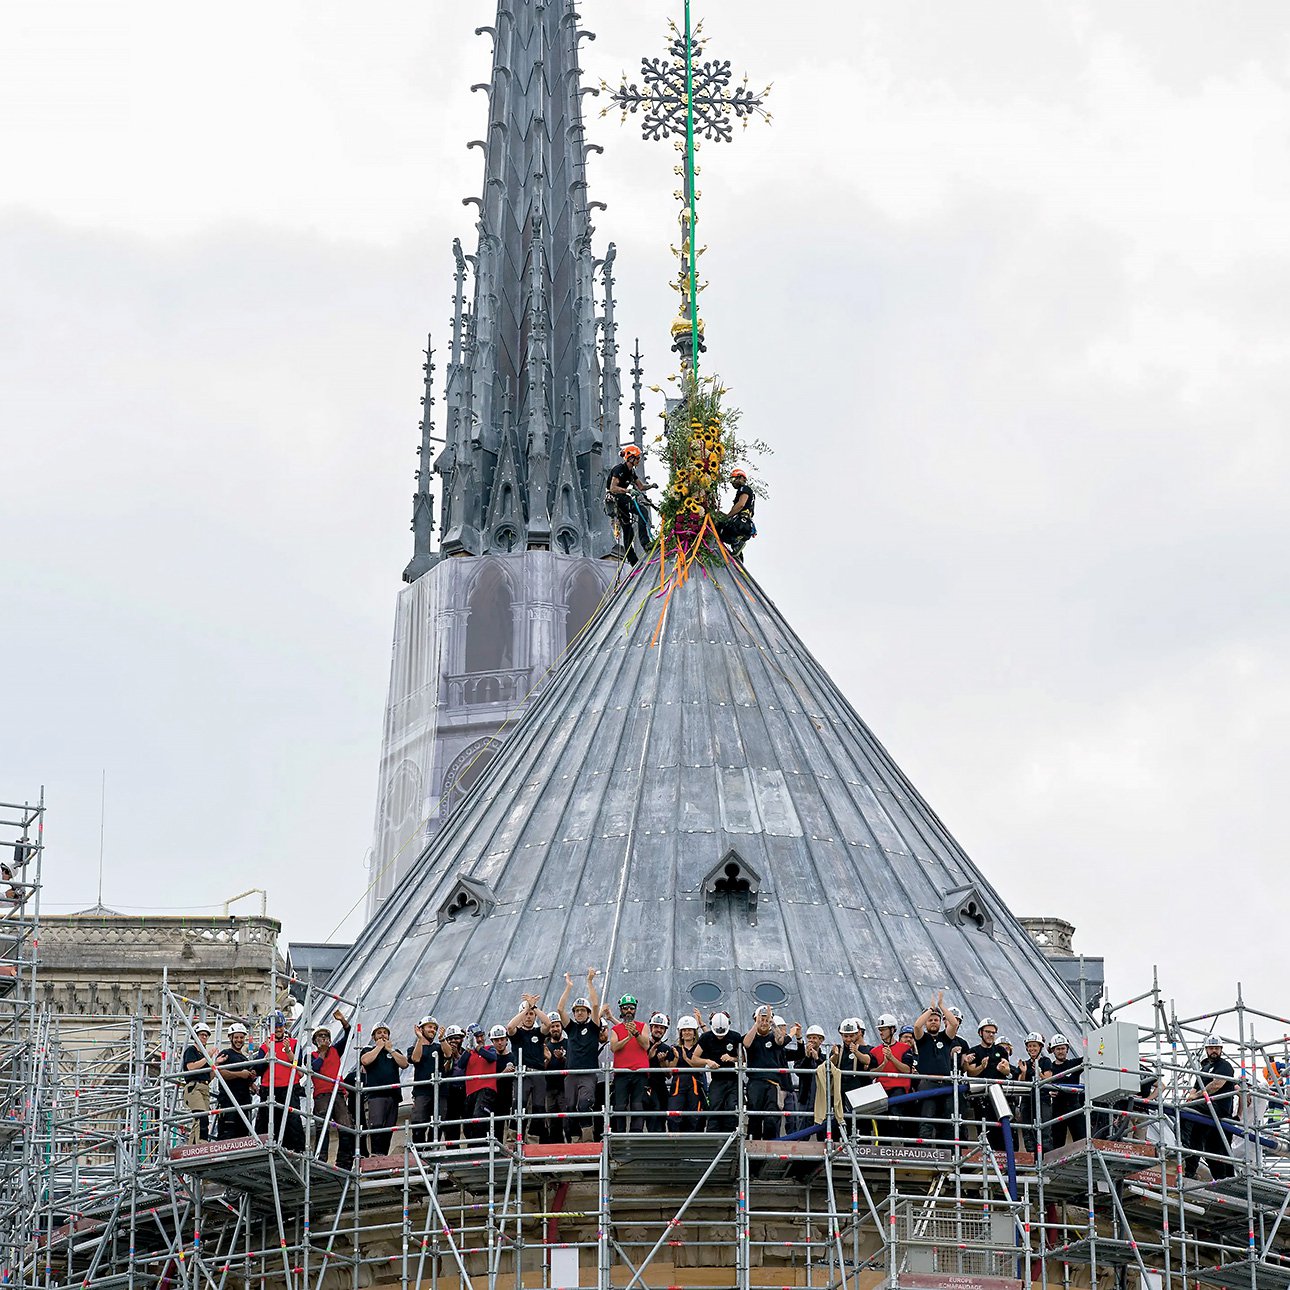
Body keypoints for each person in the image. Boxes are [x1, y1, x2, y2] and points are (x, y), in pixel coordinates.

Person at [557, 970, 605, 1143]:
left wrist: (590, 982)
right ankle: (574, 1142)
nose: (579, 1013)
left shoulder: (593, 1028)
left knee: (584, 1104)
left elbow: (595, 1005)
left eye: (582, 1010)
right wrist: (568, 987)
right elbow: (559, 1009)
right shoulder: (571, 1028)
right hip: (570, 1074)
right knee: (570, 1108)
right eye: (576, 1011)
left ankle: (587, 1140)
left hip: (587, 1073)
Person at [1182, 1035, 1237, 1180]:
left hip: (1218, 1107)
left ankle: (1228, 1177)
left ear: (1221, 1050)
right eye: (1211, 1048)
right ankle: (1190, 1170)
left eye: (1216, 1048)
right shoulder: (1205, 1068)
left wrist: (1195, 1097)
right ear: (1206, 1050)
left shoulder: (1224, 1065)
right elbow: (1194, 1089)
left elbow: (1217, 1084)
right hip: (1204, 1108)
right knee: (1198, 1139)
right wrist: (1189, 1098)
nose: (1214, 1051)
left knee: (1186, 1113)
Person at [310, 1011, 356, 1169]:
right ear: (315, 1041)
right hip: (322, 1095)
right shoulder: (311, 1056)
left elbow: (349, 1035)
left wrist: (343, 1020)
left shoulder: (336, 1050)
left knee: (346, 1126)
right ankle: (320, 1160)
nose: (323, 1038)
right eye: (320, 1036)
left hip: (337, 1094)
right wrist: (322, 1053)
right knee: (322, 1128)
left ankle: (344, 1162)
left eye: (326, 1036)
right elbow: (314, 1068)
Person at [912, 996, 959, 1142]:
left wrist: (941, 1006)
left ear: (940, 1022)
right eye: (930, 1020)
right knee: (927, 1118)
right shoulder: (922, 1039)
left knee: (948, 1121)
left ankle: (949, 1153)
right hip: (928, 1083)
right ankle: (924, 1151)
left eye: (936, 1020)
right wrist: (931, 1009)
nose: (933, 1022)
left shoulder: (945, 1038)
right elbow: (916, 1027)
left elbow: (954, 1023)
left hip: (945, 1083)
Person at [257, 1011, 305, 1152]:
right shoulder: (264, 1047)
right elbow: (259, 1068)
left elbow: (297, 1062)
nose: (278, 1030)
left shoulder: (294, 1043)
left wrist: (288, 1050)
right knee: (267, 1125)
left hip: (288, 1088)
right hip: (269, 1088)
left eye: (280, 1026)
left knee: (293, 1123)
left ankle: (297, 1152)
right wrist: (268, 1053)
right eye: (275, 1027)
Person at [507, 995, 553, 1142]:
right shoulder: (517, 1034)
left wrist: (534, 1008)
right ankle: (513, 1139)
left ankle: (534, 1139)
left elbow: (548, 1023)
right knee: (519, 1105)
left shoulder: (538, 1033)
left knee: (539, 1108)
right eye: (526, 1014)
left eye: (531, 1014)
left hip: (538, 1074)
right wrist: (526, 1008)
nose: (528, 1017)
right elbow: (509, 1027)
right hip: (523, 1073)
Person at [359, 1022, 408, 1156]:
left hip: (393, 1095)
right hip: (376, 1095)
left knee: (389, 1127)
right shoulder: (368, 1050)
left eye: (385, 1032)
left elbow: (404, 1063)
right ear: (374, 1036)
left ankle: (383, 1154)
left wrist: (390, 1050)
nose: (382, 1035)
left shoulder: (394, 1052)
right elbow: (365, 1061)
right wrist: (379, 1047)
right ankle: (376, 1153)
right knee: (377, 1124)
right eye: (379, 1033)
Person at [964, 1018, 1011, 1149]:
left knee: (1001, 1128)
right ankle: (987, 1156)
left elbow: (1007, 1069)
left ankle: (1003, 1159)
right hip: (981, 1096)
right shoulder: (974, 1051)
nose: (991, 1035)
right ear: (980, 1033)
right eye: (988, 1032)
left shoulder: (1001, 1050)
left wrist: (1004, 1069)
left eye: (993, 1032)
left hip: (999, 1095)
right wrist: (982, 1067)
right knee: (984, 1129)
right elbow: (971, 1072)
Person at [212, 1023, 265, 1140]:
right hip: (229, 1101)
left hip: (244, 1101)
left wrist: (251, 1083)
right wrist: (241, 1074)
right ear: (230, 1038)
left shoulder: (244, 1059)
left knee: (242, 1135)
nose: (239, 1040)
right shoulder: (226, 1054)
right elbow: (219, 1073)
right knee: (228, 1134)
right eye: (236, 1037)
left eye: (241, 1037)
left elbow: (245, 1079)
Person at [607, 995, 650, 1132]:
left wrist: (636, 1034)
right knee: (619, 1105)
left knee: (638, 1105)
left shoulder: (642, 1026)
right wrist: (628, 1038)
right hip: (622, 1073)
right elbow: (614, 1047)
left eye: (631, 1008)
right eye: (625, 1008)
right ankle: (618, 1134)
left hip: (640, 1072)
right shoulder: (615, 1029)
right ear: (621, 1010)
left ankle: (636, 1134)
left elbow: (646, 1045)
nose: (629, 1011)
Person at [743, 1007, 786, 1140]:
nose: (764, 1022)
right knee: (755, 1117)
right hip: (755, 1083)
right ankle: (753, 1146)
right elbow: (746, 1043)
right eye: (762, 1019)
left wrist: (772, 1022)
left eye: (766, 1019)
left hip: (772, 1083)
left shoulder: (773, 1036)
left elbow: (781, 1041)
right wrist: (757, 1022)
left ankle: (769, 1146)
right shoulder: (751, 1036)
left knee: (771, 1118)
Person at [606, 445, 654, 566]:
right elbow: (613, 488)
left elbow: (641, 486)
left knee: (630, 528)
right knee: (640, 514)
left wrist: (651, 486)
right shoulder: (619, 469)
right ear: (630, 458)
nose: (639, 460)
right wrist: (628, 491)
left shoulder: (631, 472)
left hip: (623, 498)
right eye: (637, 458)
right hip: (617, 499)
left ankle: (638, 554)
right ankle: (643, 546)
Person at [869, 1014, 914, 1141]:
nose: (881, 1032)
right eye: (880, 1029)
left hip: (898, 1088)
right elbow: (872, 1073)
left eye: (883, 1029)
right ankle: (884, 1147)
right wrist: (883, 1065)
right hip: (881, 1089)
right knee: (882, 1119)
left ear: (892, 1030)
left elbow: (907, 1070)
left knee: (895, 1114)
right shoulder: (875, 1051)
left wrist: (892, 1059)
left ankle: (897, 1144)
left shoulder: (905, 1048)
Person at [697, 1011, 741, 1134]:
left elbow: (744, 1059)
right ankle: (712, 1143)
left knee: (732, 1109)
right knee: (714, 1109)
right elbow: (694, 1058)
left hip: (733, 1081)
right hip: (716, 1080)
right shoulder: (706, 1037)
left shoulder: (736, 1037)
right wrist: (708, 1061)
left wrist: (732, 1058)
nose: (720, 1036)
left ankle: (731, 1142)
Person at [833, 1018, 875, 1140]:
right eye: (845, 1036)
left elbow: (867, 1060)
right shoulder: (838, 1050)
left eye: (851, 1036)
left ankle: (864, 1149)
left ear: (857, 1034)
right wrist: (835, 1055)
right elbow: (829, 1065)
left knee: (862, 1123)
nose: (848, 1039)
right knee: (841, 1120)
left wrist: (856, 1052)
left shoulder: (864, 1049)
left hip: (860, 1091)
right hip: (842, 1091)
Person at [670, 1015, 711, 1133]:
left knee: (695, 1116)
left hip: (695, 1084)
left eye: (690, 1030)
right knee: (674, 1113)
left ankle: (694, 1142)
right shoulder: (675, 1049)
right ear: (680, 1033)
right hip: (678, 1084)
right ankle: (676, 1142)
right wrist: (676, 1059)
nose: (687, 1032)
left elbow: (711, 1039)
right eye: (684, 1030)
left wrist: (687, 1059)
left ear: (694, 1032)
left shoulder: (700, 1049)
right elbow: (669, 1070)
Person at [1045, 1034, 1085, 1148]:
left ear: (1067, 1049)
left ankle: (1083, 1163)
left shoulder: (1073, 1064)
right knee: (1058, 1140)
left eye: (1063, 1048)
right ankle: (1058, 1165)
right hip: (1058, 1108)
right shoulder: (1050, 1069)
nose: (1061, 1051)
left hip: (1074, 1106)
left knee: (1081, 1138)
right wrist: (1049, 1092)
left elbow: (1089, 1057)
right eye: (1058, 1049)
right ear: (1053, 1050)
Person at [407, 1015, 442, 1146]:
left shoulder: (438, 1048)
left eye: (434, 1028)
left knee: (437, 1122)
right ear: (421, 1029)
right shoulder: (413, 1048)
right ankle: (418, 1149)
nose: (432, 1030)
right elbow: (415, 1059)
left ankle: (432, 1148)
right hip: (422, 1091)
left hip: (438, 1091)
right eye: (429, 1027)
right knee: (419, 1121)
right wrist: (420, 1039)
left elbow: (449, 1054)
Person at [1015, 1032, 1051, 1152]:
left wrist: (1039, 1073)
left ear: (1040, 1047)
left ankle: (1045, 1160)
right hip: (1027, 1101)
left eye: (1034, 1046)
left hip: (1042, 1100)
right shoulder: (1025, 1063)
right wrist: (1024, 1072)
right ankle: (1032, 1161)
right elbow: (1020, 1083)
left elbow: (1049, 1079)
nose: (1032, 1049)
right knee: (1028, 1133)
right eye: (1029, 1046)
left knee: (1044, 1131)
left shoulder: (1045, 1061)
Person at [180, 1024, 215, 1143]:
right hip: (194, 1087)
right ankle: (199, 1144)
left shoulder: (203, 1054)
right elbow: (191, 1067)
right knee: (201, 1117)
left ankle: (196, 1144)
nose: (204, 1037)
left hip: (204, 1087)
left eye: (206, 1035)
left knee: (201, 1119)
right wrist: (208, 1056)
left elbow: (209, 1077)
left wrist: (217, 1064)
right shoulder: (191, 1050)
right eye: (202, 1035)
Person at [644, 1014, 678, 1133]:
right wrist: (650, 1056)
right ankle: (653, 1142)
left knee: (663, 1113)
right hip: (646, 1084)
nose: (659, 1030)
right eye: (656, 1027)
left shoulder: (666, 1048)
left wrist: (662, 1062)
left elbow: (668, 1075)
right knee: (654, 1112)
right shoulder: (643, 1045)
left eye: (662, 1028)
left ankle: (662, 1140)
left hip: (660, 1085)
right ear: (651, 1027)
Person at [791, 1026, 827, 1133]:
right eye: (809, 1038)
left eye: (814, 1038)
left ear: (821, 1040)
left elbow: (828, 1072)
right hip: (805, 1097)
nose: (811, 1041)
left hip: (821, 1099)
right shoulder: (801, 1056)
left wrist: (817, 1059)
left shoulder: (825, 1057)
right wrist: (807, 1058)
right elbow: (798, 1072)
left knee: (822, 1130)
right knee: (802, 1128)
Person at [435, 1025, 467, 1142]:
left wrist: (457, 1055)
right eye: (451, 1039)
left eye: (456, 1038)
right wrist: (449, 1057)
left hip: (465, 1091)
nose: (453, 1041)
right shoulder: (442, 1055)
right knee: (450, 1125)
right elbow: (445, 1071)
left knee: (468, 1123)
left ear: (462, 1039)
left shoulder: (466, 1053)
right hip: (450, 1093)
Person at [716, 468, 756, 556]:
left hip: (740, 523)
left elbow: (741, 504)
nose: (732, 482)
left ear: (741, 478)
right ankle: (736, 546)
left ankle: (736, 543)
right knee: (724, 536)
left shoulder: (744, 488)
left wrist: (727, 516)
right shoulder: (749, 492)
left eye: (733, 479)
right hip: (746, 526)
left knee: (718, 522)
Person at [543, 1015, 569, 1143]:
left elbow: (573, 1065)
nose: (555, 1029)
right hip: (549, 1089)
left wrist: (562, 1059)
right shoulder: (545, 1046)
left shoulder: (568, 1043)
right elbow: (542, 1068)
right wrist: (548, 1059)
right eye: (552, 1026)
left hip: (565, 1088)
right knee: (552, 1123)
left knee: (567, 1122)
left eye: (557, 1026)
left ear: (561, 1027)